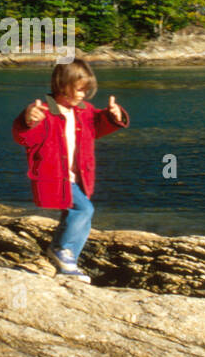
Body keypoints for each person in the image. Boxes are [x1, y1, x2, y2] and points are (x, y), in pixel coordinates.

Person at [12, 58, 128, 282]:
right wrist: (28, 120)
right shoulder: (44, 111)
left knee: (78, 215)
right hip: (55, 177)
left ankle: (63, 255)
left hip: (79, 176)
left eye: (87, 90)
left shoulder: (85, 110)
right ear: (62, 85)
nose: (84, 94)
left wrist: (114, 116)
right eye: (80, 89)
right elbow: (23, 137)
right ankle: (64, 253)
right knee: (84, 210)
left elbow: (97, 127)